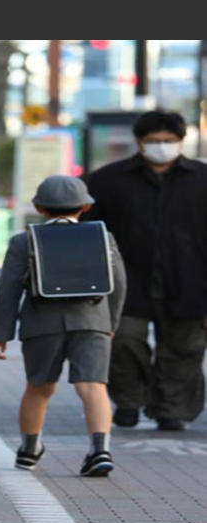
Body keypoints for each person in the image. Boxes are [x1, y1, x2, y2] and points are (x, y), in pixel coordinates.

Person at [0, 175, 126, 477]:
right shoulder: (103, 237)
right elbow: (118, 284)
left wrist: (1, 333)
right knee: (93, 386)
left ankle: (29, 449)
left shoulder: (24, 240)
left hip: (42, 323)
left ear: (39, 207)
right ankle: (99, 449)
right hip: (92, 321)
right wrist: (110, 323)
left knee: (39, 388)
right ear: (86, 206)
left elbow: (8, 289)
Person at [85, 109, 207, 431]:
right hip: (126, 282)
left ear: (181, 141)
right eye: (154, 141)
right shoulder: (108, 180)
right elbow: (87, 229)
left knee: (184, 348)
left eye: (169, 141)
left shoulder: (202, 179)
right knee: (122, 341)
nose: (162, 146)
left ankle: (171, 409)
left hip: (190, 281)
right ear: (139, 143)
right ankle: (128, 401)